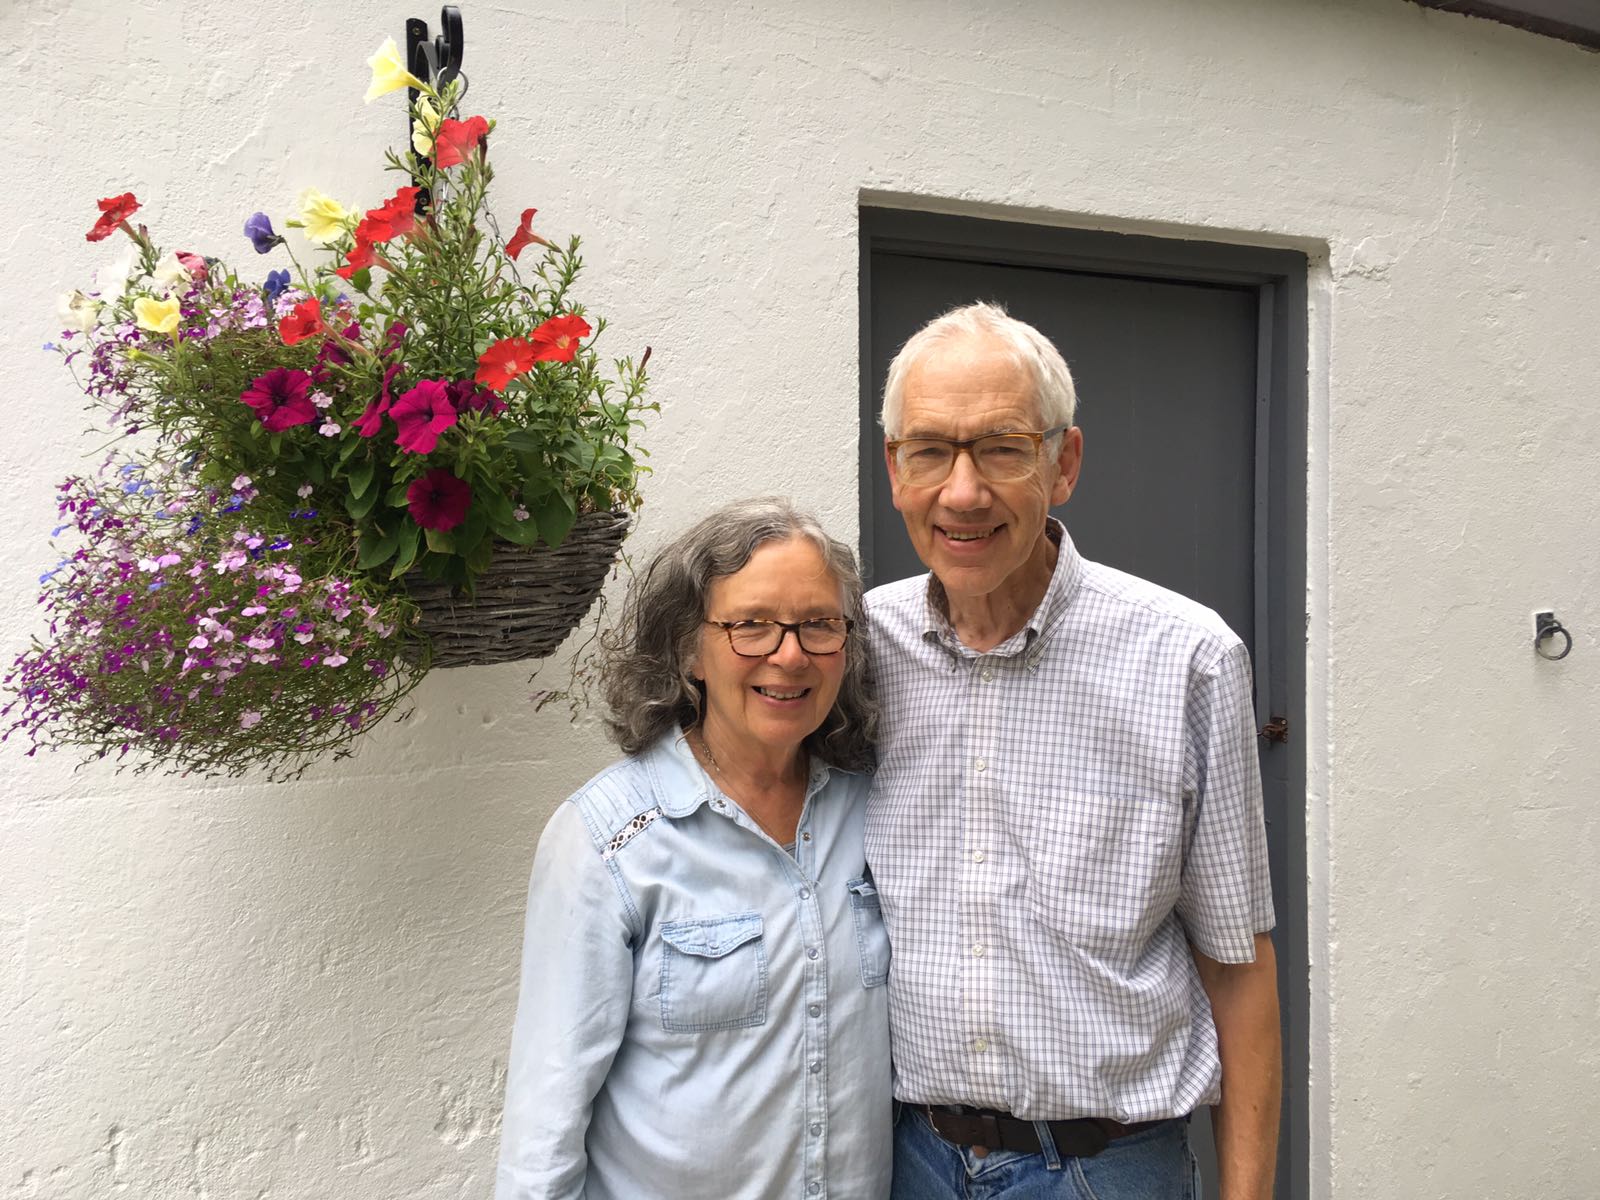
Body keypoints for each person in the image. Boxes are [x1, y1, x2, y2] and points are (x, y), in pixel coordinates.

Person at [865, 302, 1281, 1200]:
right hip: (907, 1162)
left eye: (1004, 448)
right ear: (895, 469)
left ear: (1065, 464)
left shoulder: (1188, 659)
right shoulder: (856, 650)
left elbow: (1235, 966)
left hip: (1105, 1172)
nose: (963, 491)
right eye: (931, 450)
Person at [494, 498, 892, 1200]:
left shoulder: (877, 812)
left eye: (819, 625)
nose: (790, 653)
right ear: (688, 650)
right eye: (751, 626)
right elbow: (546, 1117)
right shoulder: (609, 839)